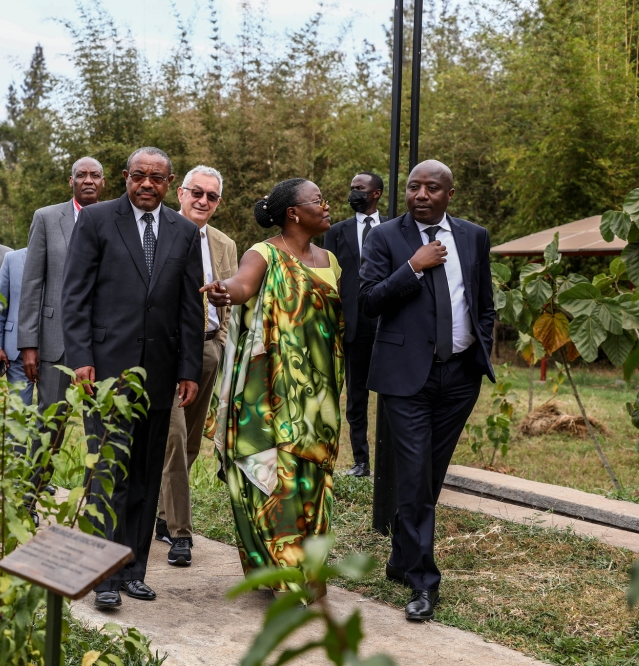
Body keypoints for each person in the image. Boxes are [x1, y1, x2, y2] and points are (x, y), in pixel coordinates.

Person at [63, 147, 203, 610]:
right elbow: (75, 295)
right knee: (109, 475)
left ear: (169, 183)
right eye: (139, 176)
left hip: (161, 375)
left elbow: (189, 306)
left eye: (157, 178)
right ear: (125, 177)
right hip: (104, 373)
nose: (147, 184)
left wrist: (187, 369)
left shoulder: (185, 232)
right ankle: (103, 577)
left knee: (144, 475)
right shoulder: (98, 221)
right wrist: (81, 357)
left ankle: (132, 572)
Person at [360, 160, 495, 622]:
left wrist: (482, 347)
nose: (420, 194)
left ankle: (400, 558)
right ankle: (422, 582)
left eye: (431, 187)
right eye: (413, 186)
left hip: (460, 377)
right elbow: (368, 300)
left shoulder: (474, 236)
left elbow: (484, 302)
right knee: (415, 477)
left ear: (449, 194)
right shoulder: (384, 237)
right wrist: (414, 268)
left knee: (430, 477)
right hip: (405, 377)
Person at [203, 178, 343, 594]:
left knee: (313, 478)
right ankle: (286, 572)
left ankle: (308, 565)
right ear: (293, 213)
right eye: (318, 200)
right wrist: (224, 292)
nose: (326, 205)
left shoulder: (332, 260)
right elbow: (243, 284)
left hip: (321, 394)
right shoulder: (263, 253)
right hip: (271, 389)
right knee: (276, 474)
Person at [156, 165, 238, 567]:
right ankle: (180, 533)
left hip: (206, 348)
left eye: (212, 196)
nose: (203, 201)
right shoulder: (160, 232)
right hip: (166, 352)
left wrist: (219, 345)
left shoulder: (224, 244)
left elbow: (229, 296)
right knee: (172, 440)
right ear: (181, 194)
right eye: (197, 193)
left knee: (189, 442)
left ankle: (159, 512)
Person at [18, 156, 105, 505]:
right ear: (70, 181)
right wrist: (28, 343)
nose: (88, 180)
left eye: (94, 175)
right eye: (81, 175)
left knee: (98, 428)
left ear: (104, 182)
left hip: (102, 343)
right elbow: (32, 283)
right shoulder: (47, 218)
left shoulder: (117, 219)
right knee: (48, 425)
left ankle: (95, 503)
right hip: (54, 341)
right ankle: (29, 497)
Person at [323, 172, 387, 477]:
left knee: (392, 394)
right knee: (357, 396)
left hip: (388, 320)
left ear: (375, 193)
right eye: (351, 189)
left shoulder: (394, 227)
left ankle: (392, 457)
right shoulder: (336, 231)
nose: (353, 194)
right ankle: (361, 461)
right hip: (353, 323)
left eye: (359, 189)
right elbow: (329, 277)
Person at [0, 248, 33, 405]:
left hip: (51, 349)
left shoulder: (60, 257)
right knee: (18, 415)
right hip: (15, 351)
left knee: (50, 417)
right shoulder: (11, 259)